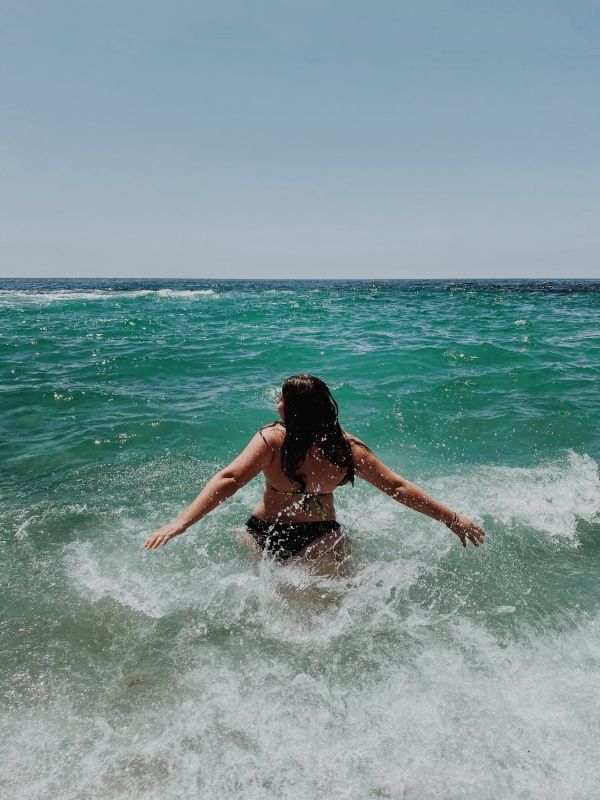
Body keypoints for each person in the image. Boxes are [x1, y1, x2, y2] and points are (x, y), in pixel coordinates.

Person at [144, 374, 484, 567]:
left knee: (270, 616)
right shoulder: (346, 448)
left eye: (281, 398)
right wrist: (452, 518)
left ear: (291, 408)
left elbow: (230, 480)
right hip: (322, 537)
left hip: (263, 533)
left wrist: (181, 523)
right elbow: (396, 487)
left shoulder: (272, 440)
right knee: (330, 614)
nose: (277, 402)